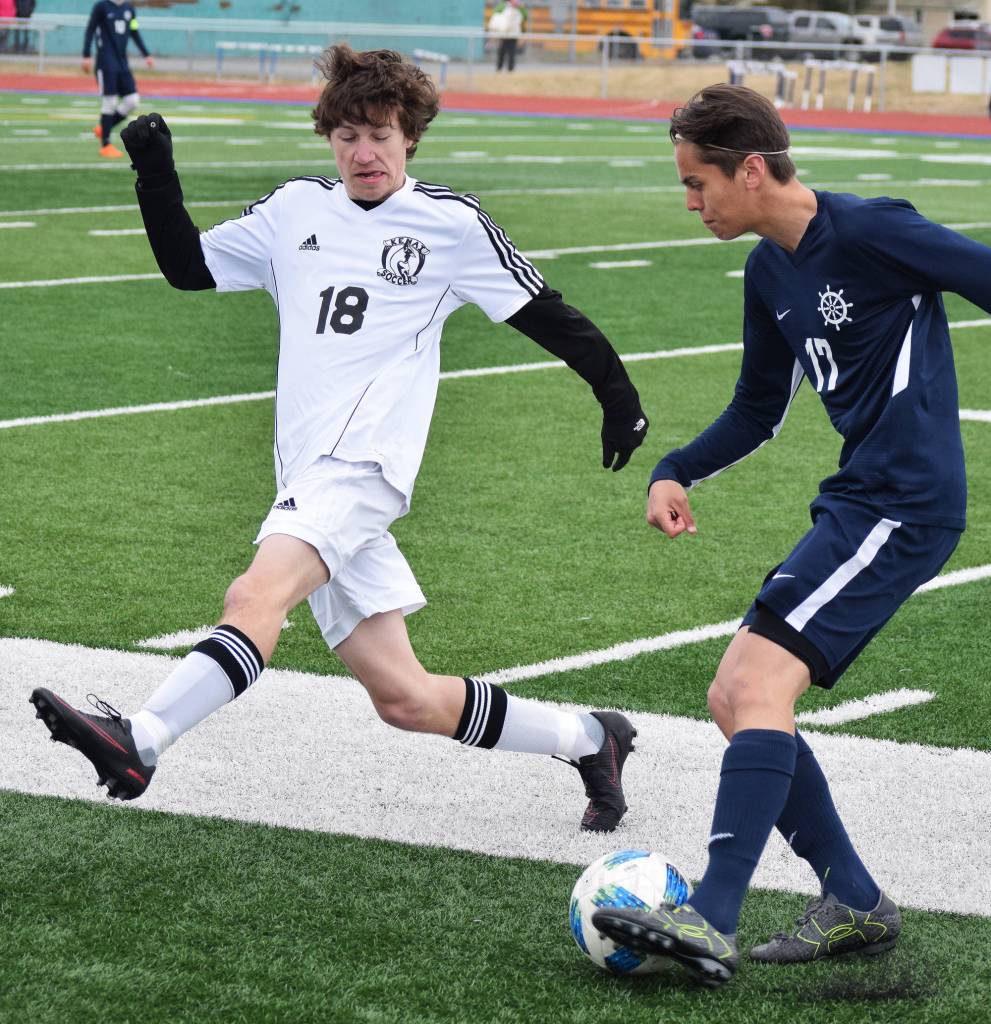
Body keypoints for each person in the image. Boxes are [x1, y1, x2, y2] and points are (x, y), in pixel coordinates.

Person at [29, 46, 649, 835]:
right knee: (405, 699)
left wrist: (616, 396)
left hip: (363, 469)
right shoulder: (294, 210)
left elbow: (544, 311)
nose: (365, 153)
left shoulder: (450, 224)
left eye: (382, 135)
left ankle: (141, 741)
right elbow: (189, 268)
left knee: (254, 597)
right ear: (328, 138)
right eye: (349, 135)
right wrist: (155, 170)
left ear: (410, 138)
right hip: (305, 472)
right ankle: (593, 739)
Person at [592, 83, 991, 986]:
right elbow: (757, 408)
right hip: (859, 499)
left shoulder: (871, 230)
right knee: (734, 697)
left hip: (906, 501)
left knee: (755, 679)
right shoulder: (768, 272)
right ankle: (850, 896)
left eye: (698, 184)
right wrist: (675, 468)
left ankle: (709, 915)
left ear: (756, 170)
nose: (689, 202)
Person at [82, 0, 154, 159]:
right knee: (110, 102)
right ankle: (105, 144)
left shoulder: (129, 9)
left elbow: (134, 31)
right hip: (105, 62)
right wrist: (86, 55)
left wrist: (146, 54)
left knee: (132, 100)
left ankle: (104, 127)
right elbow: (90, 29)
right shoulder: (101, 6)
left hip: (122, 62)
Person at [488, 0, 527, 72]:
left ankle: (510, 70)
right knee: (501, 53)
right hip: (503, 35)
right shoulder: (503, 5)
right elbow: (496, 13)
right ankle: (499, 69)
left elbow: (525, 16)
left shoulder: (519, 8)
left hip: (513, 35)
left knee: (512, 54)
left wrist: (521, 7)